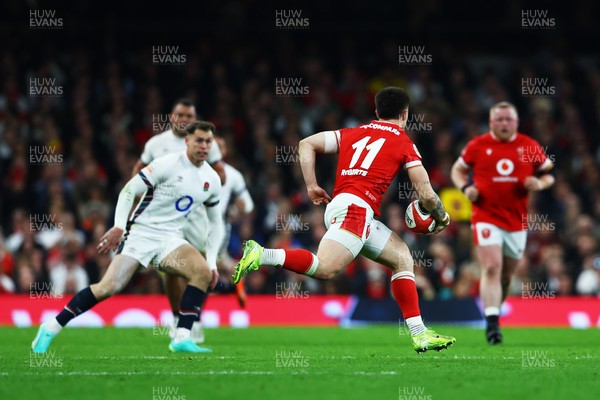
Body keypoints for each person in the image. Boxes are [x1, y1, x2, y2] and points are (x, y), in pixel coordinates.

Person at [233, 87, 456, 353]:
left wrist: (311, 185)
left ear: (376, 112)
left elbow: (306, 143)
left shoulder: (352, 133)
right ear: (406, 113)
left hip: (344, 206)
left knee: (402, 258)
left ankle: (420, 334)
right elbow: (426, 195)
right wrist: (442, 217)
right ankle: (262, 254)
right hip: (357, 211)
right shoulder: (403, 142)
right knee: (326, 268)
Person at [31, 121, 224, 353]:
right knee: (109, 287)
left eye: (208, 141)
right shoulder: (166, 164)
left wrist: (212, 261)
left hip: (171, 239)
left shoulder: (211, 180)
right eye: (199, 140)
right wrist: (119, 226)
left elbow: (215, 222)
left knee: (202, 272)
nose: (204, 146)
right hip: (141, 234)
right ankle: (51, 327)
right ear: (187, 141)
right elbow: (129, 190)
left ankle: (181, 336)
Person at [450, 101, 555, 344]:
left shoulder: (529, 145)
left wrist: (540, 183)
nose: (505, 123)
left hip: (516, 222)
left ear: (516, 122)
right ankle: (492, 324)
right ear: (491, 122)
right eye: (500, 119)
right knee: (491, 267)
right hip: (485, 216)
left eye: (509, 119)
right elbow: (457, 171)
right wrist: (466, 189)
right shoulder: (478, 145)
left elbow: (549, 173)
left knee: (507, 276)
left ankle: (493, 310)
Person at [132, 98, 226, 344]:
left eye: (189, 116)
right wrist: (137, 196)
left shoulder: (205, 142)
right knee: (170, 271)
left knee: (203, 267)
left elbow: (220, 174)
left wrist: (211, 183)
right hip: (165, 218)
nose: (184, 119)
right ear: (171, 116)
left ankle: (193, 317)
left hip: (196, 215)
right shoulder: (156, 144)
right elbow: (139, 170)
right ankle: (178, 319)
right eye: (180, 115)